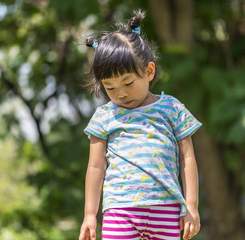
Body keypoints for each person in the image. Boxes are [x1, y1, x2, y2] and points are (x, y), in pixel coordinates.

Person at [79, 9, 202, 240]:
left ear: (149, 71)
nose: (121, 93)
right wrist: (89, 214)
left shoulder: (172, 109)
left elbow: (187, 158)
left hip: (166, 208)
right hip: (120, 210)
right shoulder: (104, 116)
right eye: (111, 87)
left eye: (128, 82)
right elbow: (96, 167)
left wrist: (191, 206)